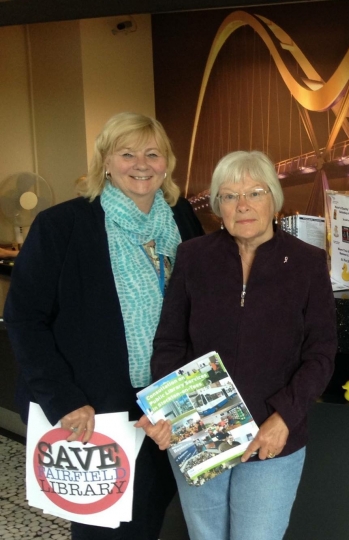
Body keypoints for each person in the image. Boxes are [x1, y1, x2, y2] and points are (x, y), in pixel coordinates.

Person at [4, 111, 204, 539]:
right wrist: (64, 400)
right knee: (106, 527)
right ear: (105, 162)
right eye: (127, 153)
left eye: (153, 153)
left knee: (159, 515)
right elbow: (25, 319)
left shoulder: (180, 216)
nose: (141, 164)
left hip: (169, 398)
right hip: (95, 408)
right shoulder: (63, 226)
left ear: (167, 162)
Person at [142, 150, 337, 540]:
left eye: (255, 192)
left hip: (271, 437)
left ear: (274, 200)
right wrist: (168, 412)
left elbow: (321, 353)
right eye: (229, 196)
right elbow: (169, 342)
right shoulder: (193, 257)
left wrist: (285, 418)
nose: (243, 205)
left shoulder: (307, 263)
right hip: (200, 433)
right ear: (217, 206)